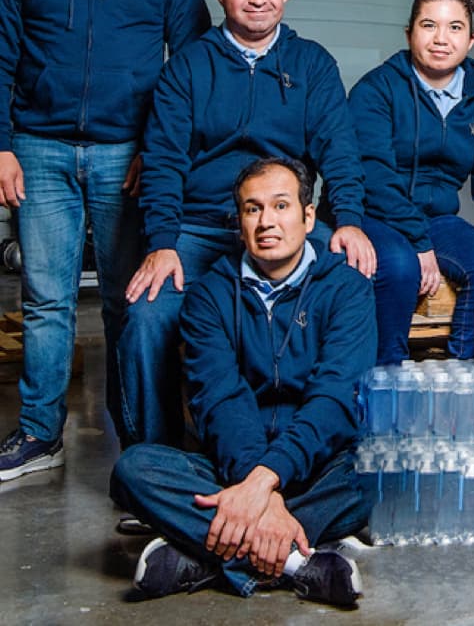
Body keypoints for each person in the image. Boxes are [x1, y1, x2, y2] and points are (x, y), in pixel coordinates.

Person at [0, 0, 210, 480]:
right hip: (39, 149)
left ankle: (137, 437)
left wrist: (159, 146)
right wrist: (2, 146)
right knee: (46, 300)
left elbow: (193, 67)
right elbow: (1, 57)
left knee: (127, 303)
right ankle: (41, 432)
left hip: (129, 158)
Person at [117, 0, 375, 447]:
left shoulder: (311, 64)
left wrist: (348, 221)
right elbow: (164, 162)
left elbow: (338, 149)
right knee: (146, 316)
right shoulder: (187, 68)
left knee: (354, 283)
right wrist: (162, 243)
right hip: (200, 225)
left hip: (284, 220)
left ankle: (332, 447)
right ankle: (156, 456)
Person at [111, 157, 374, 607]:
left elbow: (334, 398)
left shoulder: (347, 288)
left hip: (316, 464)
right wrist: (261, 492)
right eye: (252, 209)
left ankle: (203, 557)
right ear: (239, 223)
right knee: (134, 470)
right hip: (230, 466)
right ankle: (296, 562)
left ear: (309, 217)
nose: (267, 221)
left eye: (280, 206)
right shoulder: (209, 295)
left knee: (380, 472)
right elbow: (220, 402)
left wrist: (263, 483)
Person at [348, 0, 474, 364]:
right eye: (429, 25)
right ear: (409, 33)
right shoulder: (378, 90)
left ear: (471, 39)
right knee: (397, 266)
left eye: (455, 28)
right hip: (375, 213)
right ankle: (383, 378)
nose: (442, 38)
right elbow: (373, 174)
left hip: (437, 217)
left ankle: (461, 377)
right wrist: (417, 243)